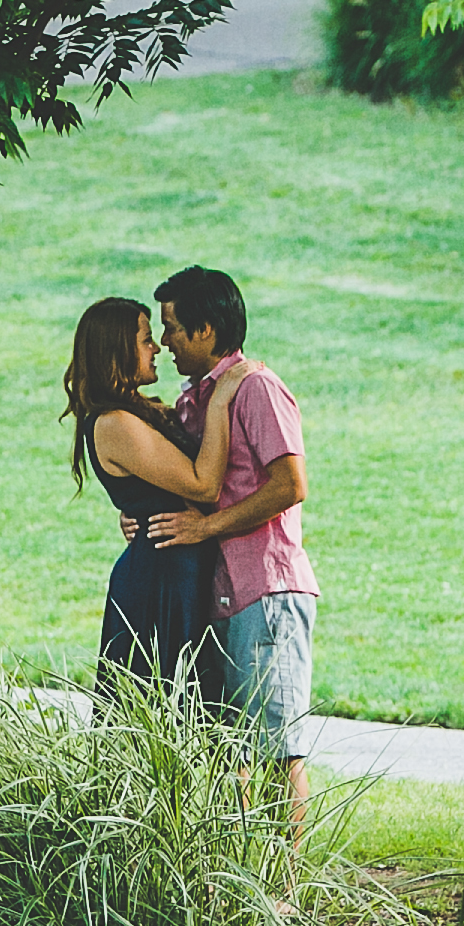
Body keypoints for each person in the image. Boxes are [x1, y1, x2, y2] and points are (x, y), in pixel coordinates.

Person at [134, 266, 319, 831]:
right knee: (232, 752)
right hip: (218, 595)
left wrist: (204, 529)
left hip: (266, 592)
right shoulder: (200, 398)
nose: (164, 341)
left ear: (206, 330)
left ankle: (284, 890)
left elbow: (290, 485)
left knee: (278, 752)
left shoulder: (256, 388)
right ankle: (242, 885)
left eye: (171, 328)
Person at [61, 294, 230, 701]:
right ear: (117, 350)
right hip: (161, 583)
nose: (156, 348)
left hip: (177, 571)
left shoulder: (133, 414)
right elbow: (203, 484)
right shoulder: (114, 422)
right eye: (145, 339)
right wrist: (224, 395)